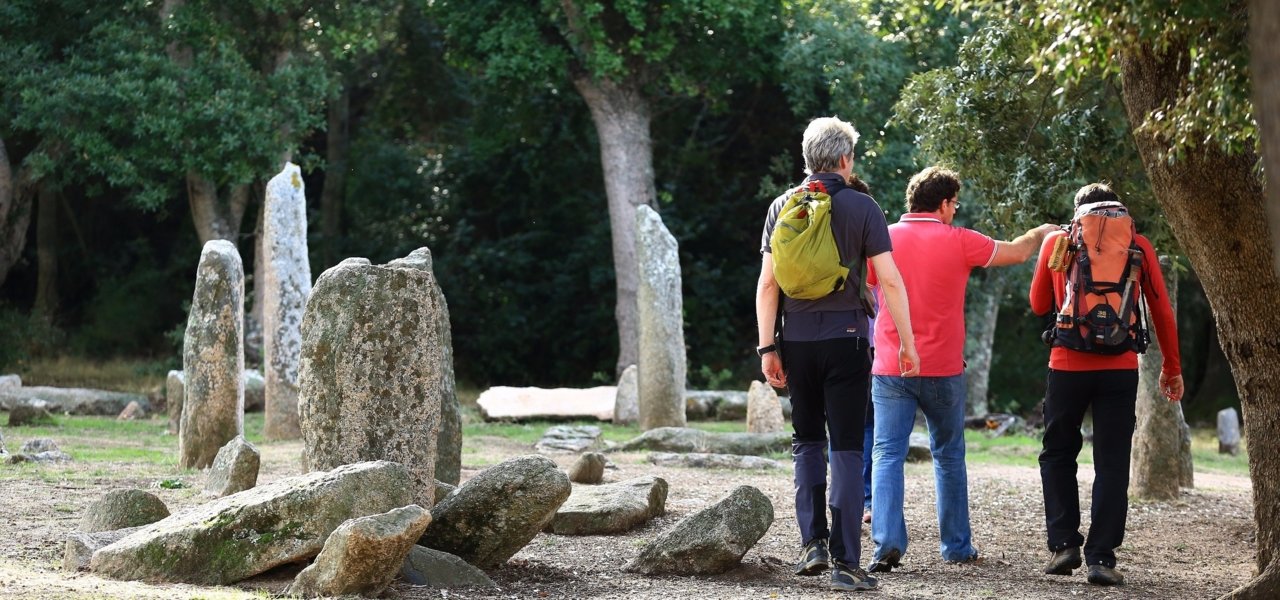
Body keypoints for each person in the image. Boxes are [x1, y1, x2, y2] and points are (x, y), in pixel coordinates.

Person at [756, 117, 920, 592]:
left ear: (808, 158)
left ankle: (812, 544)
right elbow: (890, 281)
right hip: (847, 341)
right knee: (846, 446)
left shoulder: (781, 206)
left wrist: (767, 347)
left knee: (806, 440)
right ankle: (846, 562)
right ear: (845, 159)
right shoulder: (863, 207)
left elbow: (768, 285)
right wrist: (907, 343)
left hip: (796, 342)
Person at [866, 166, 1057, 573]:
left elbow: (867, 290)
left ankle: (886, 544)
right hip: (943, 368)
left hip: (890, 366)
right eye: (954, 204)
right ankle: (955, 546)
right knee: (949, 455)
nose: (955, 211)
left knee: (887, 454)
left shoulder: (882, 238)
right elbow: (1018, 252)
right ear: (944, 204)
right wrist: (1041, 232)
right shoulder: (960, 240)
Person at [1029, 182, 1183, 586]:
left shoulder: (1059, 242)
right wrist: (1172, 367)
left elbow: (1038, 304)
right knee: (1112, 462)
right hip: (1120, 367)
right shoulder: (1138, 245)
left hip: (1067, 364)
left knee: (1058, 453)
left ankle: (1064, 544)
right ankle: (1101, 558)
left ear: (1078, 214)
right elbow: (1162, 311)